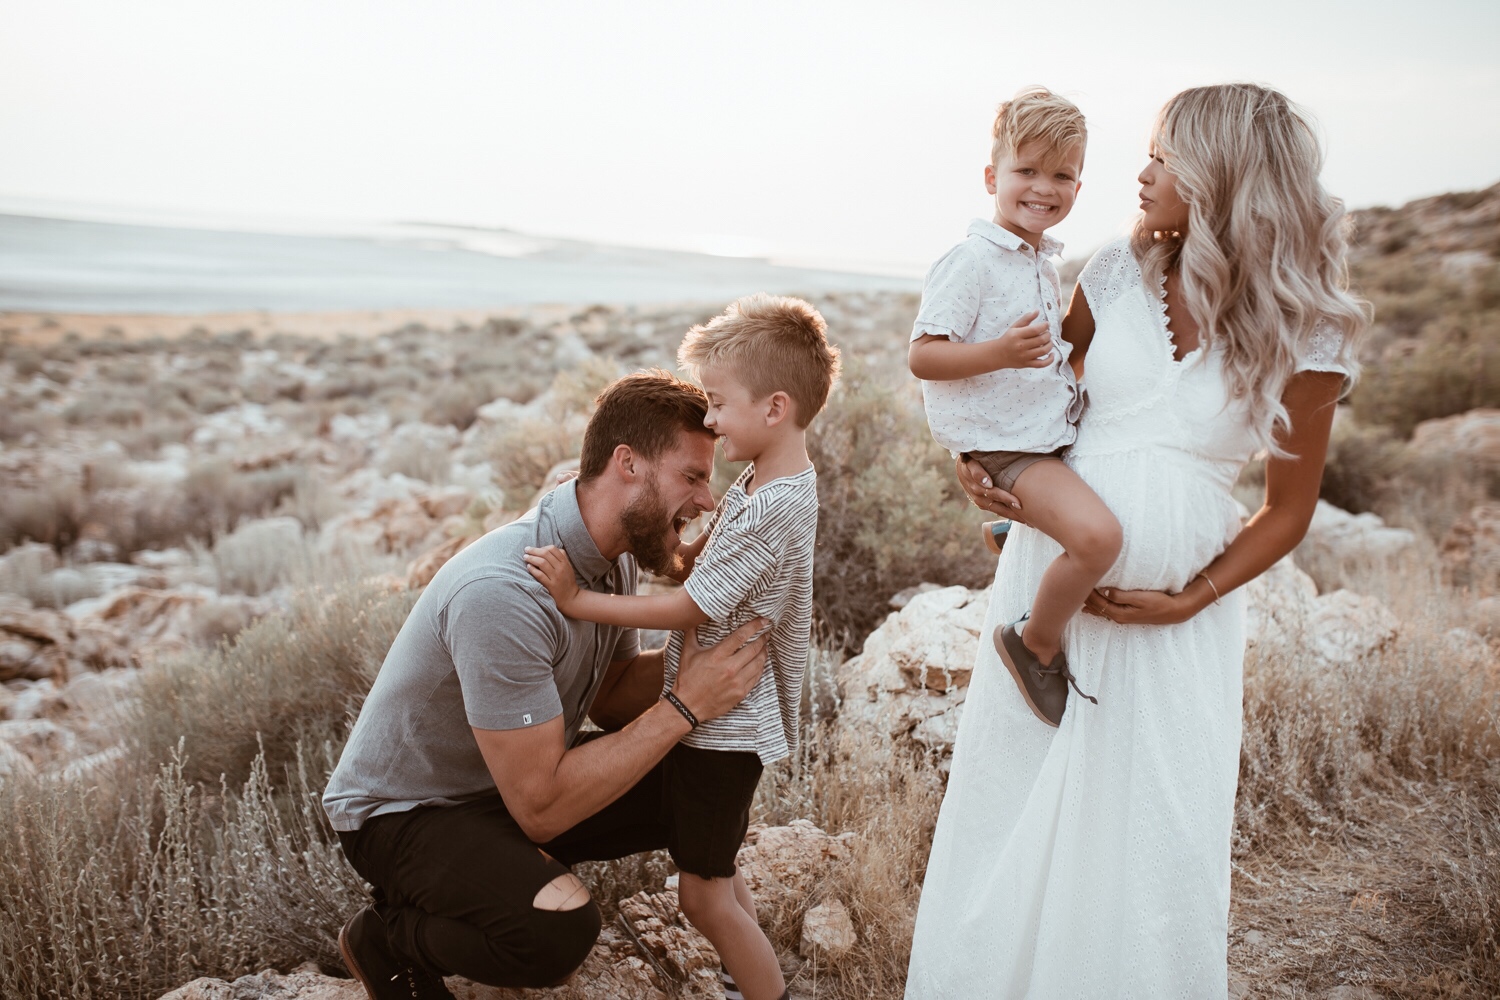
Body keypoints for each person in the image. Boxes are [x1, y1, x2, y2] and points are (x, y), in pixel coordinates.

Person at [904, 83, 1367, 999]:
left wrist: (1190, 597)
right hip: (1053, 583)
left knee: (1151, 831)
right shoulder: (1114, 271)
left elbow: (1286, 511)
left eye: (1164, 156)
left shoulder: (1308, 326)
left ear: (1222, 175)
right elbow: (1043, 399)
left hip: (1176, 624)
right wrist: (988, 472)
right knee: (1015, 814)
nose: (1142, 173)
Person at [322, 370, 772, 1000]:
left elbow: (612, 692)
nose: (706, 500)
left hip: (505, 784)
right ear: (628, 466)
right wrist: (684, 704)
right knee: (553, 936)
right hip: (408, 814)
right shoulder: (503, 595)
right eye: (692, 477)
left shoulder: (610, 553)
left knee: (699, 773)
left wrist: (702, 655)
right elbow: (540, 809)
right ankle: (389, 936)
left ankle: (737, 959)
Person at [526, 294, 840, 1000]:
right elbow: (711, 564)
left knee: (703, 898)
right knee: (717, 878)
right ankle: (745, 980)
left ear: (775, 408)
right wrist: (687, 548)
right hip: (726, 725)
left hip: (723, 729)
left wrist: (576, 598)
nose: (710, 419)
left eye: (720, 405)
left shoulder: (773, 505)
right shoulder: (768, 481)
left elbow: (690, 607)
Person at [907, 86, 1122, 727]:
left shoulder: (1040, 262)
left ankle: (1015, 532)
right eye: (1026, 170)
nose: (1043, 187)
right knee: (1099, 538)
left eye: (1062, 174)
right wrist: (999, 352)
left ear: (1079, 186)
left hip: (1040, 434)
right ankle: (1035, 644)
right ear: (991, 176)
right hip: (1008, 447)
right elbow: (923, 355)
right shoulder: (970, 260)